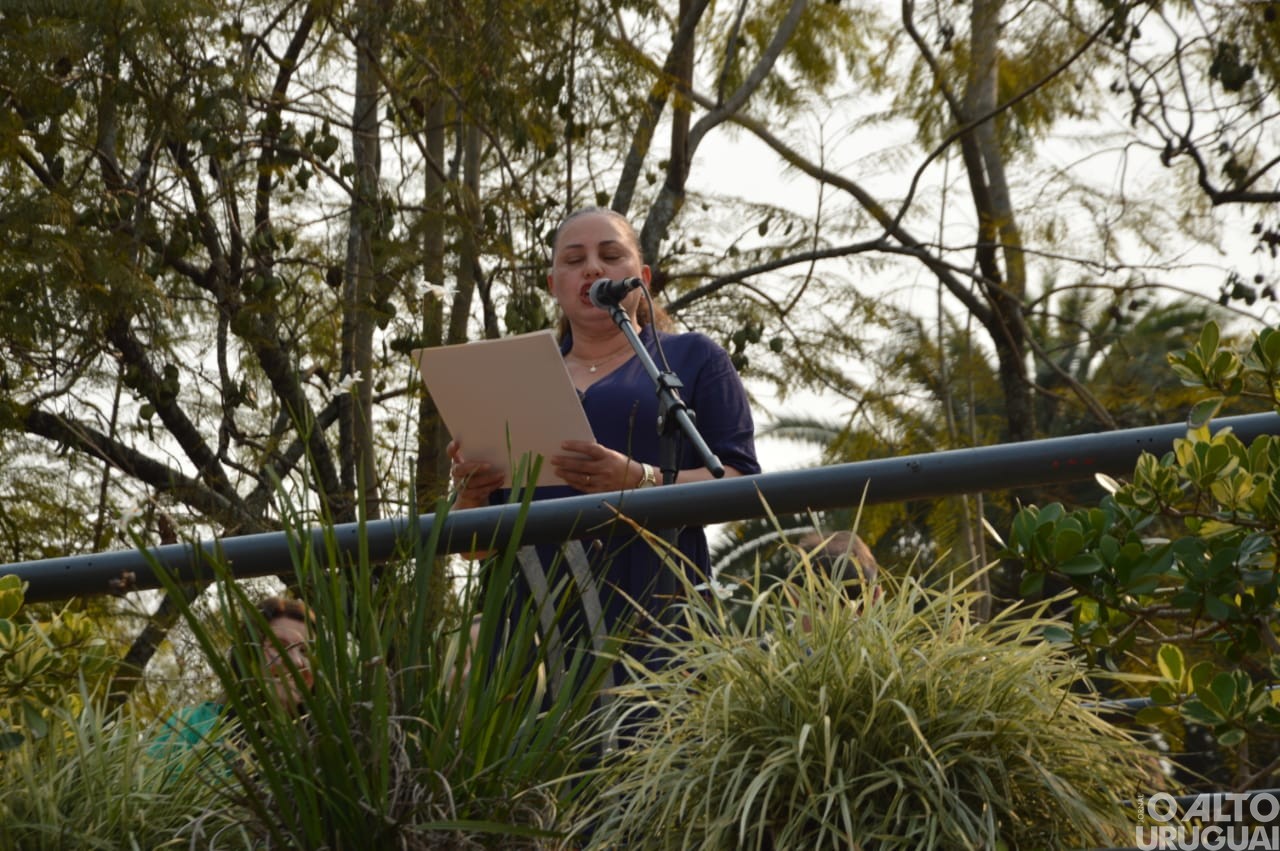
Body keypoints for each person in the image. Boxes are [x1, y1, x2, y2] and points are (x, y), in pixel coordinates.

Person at [447, 206, 761, 671]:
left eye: (610, 255)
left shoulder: (692, 359)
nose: (593, 268)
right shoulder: (513, 375)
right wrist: (469, 496)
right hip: (534, 639)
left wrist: (642, 481)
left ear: (642, 278)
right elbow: (475, 546)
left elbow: (744, 487)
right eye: (574, 260)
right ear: (554, 286)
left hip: (657, 626)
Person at [150, 595, 315, 758]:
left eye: (305, 651)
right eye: (279, 646)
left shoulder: (330, 739)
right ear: (247, 655)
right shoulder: (191, 727)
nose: (297, 661)